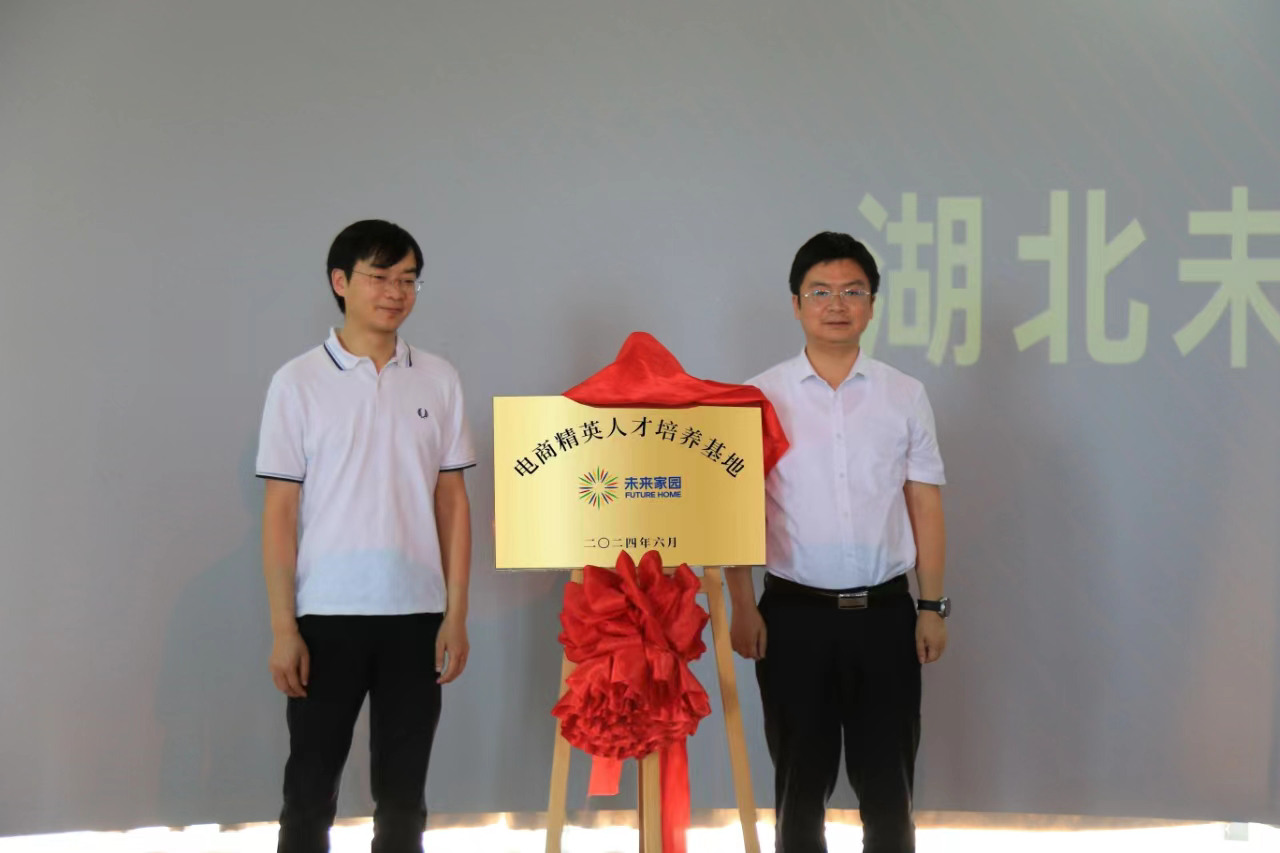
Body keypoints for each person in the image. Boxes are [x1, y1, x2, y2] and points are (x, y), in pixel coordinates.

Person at [256, 219, 475, 853]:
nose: (395, 292)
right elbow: (279, 512)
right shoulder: (297, 382)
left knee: (404, 797)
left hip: (417, 614)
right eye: (380, 276)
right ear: (340, 282)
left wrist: (456, 615)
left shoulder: (438, 378)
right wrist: (284, 628)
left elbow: (453, 503)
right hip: (328, 613)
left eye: (408, 279)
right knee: (308, 791)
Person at [727, 231, 949, 853]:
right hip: (792, 618)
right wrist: (742, 604)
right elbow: (735, 510)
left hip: (886, 616)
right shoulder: (756, 398)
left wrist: (931, 606)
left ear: (872, 305)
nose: (836, 304)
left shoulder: (904, 394)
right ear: (796, 304)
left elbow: (925, 504)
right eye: (820, 291)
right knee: (799, 793)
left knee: (889, 791)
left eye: (852, 291)